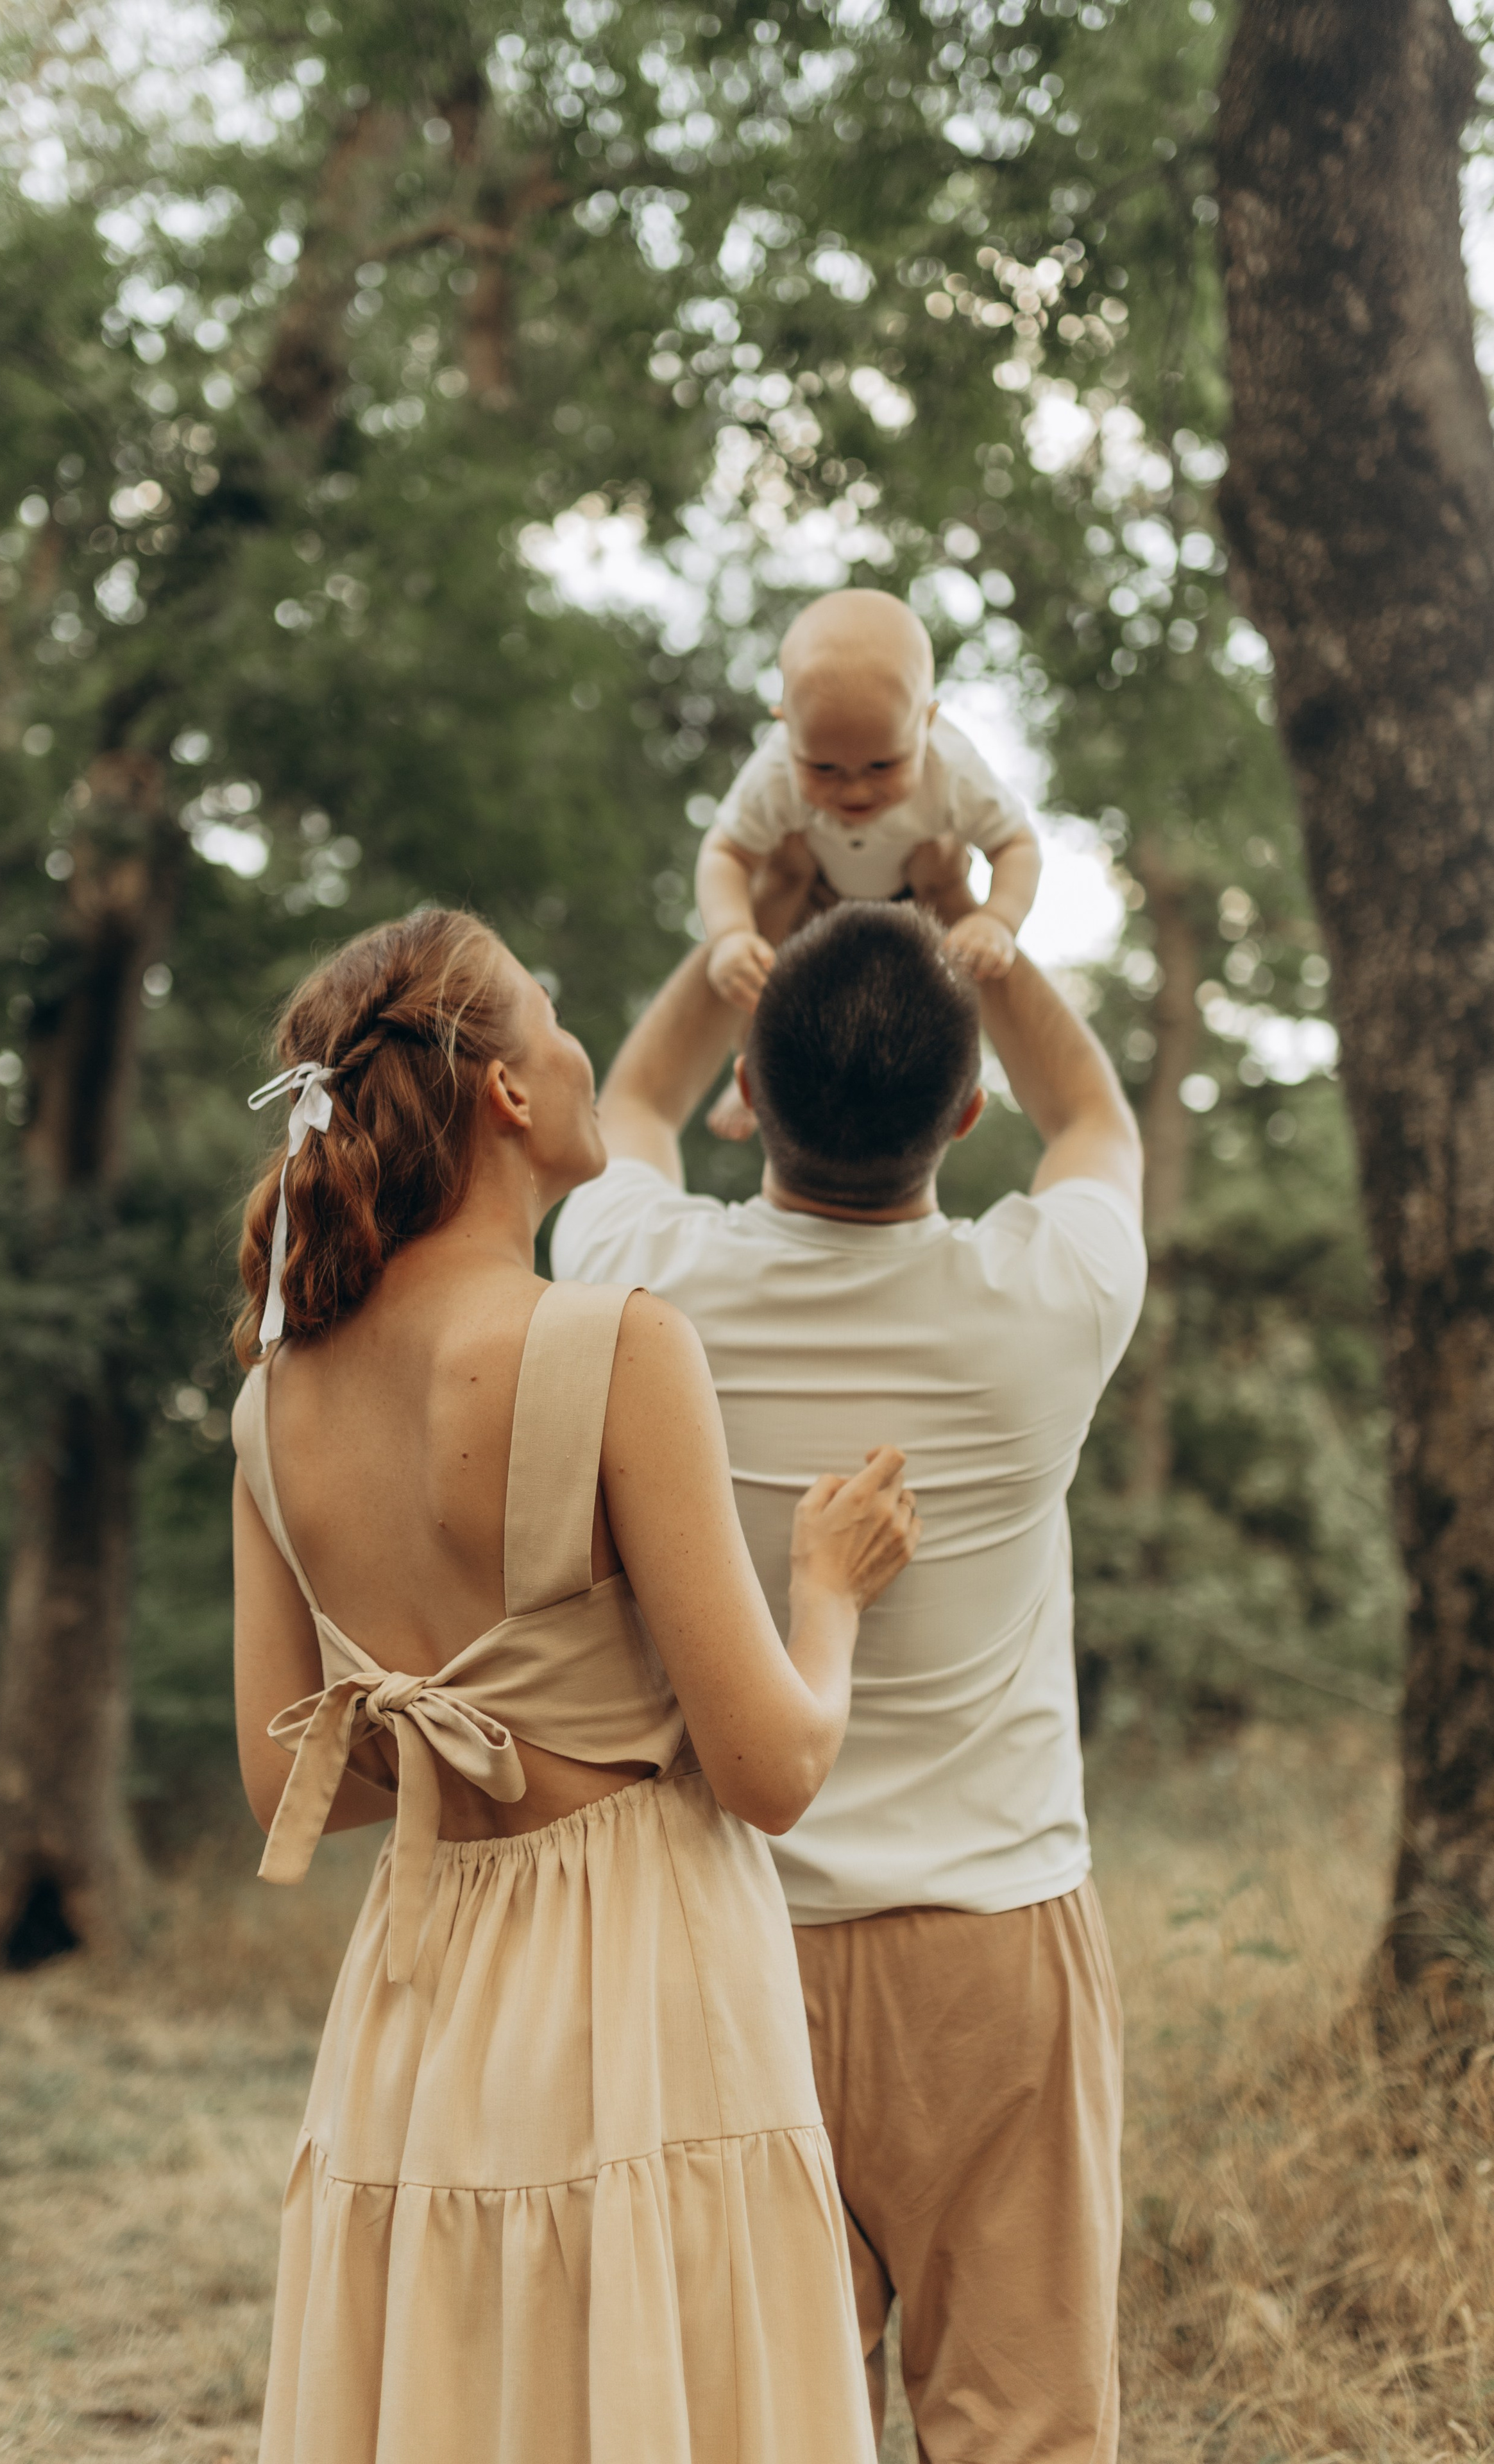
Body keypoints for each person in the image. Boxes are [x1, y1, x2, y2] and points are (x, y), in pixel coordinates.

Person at [228, 908, 921, 2464]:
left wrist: (439, 1711)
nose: (578, 1044)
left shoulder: (273, 1407)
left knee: (462, 2393)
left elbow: (290, 1787)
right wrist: (827, 1593)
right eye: (551, 1017)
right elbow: (771, 1769)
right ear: (508, 1095)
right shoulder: (610, 1343)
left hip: (420, 1994)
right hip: (640, 1979)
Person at [552, 890, 1146, 2464]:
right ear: (963, 1110)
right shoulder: (1043, 1308)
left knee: (756, 2424)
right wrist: (983, 945)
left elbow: (627, 1104)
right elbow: (1089, 1113)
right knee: (1023, 2429)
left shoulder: (638, 1292)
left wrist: (731, 921)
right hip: (993, 1949)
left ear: (750, 1089)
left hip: (732, 1942)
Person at [694, 588, 1040, 1137]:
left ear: (926, 723)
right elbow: (726, 853)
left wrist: (998, 919)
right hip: (815, 896)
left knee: (955, 986)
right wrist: (731, 935)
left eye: (883, 764)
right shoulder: (774, 771)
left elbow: (1016, 845)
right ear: (785, 727)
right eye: (825, 767)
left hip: (916, 899)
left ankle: (954, 1089)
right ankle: (755, 1075)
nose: (854, 788)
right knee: (763, 979)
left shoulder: (954, 770)